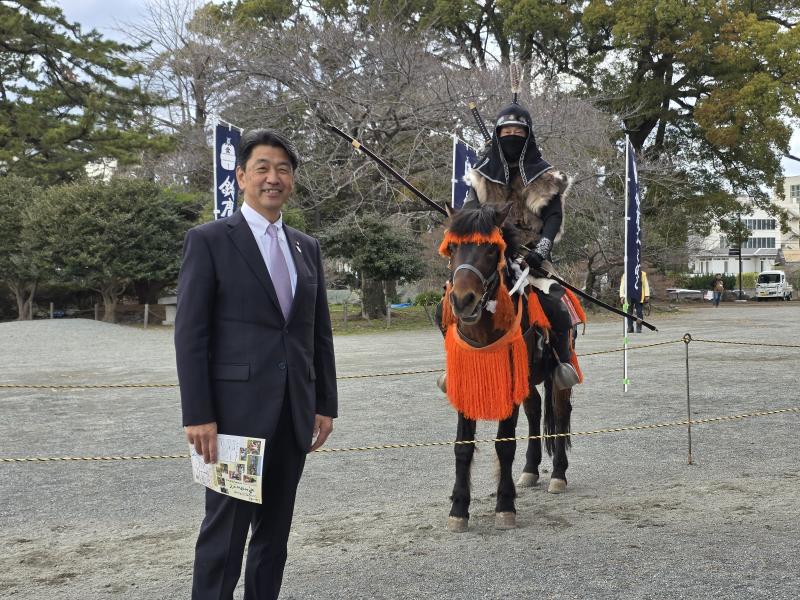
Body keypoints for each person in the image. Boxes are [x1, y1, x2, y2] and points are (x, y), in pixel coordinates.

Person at [175, 129, 338, 600]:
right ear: (241, 176)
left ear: (292, 180)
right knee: (224, 537)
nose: (273, 178)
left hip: (293, 413)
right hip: (234, 418)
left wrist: (324, 404)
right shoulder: (210, 240)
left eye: (283, 169)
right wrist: (198, 414)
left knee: (274, 536)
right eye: (262, 168)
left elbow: (317, 332)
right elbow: (190, 335)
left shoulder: (306, 247)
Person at [463, 101, 579, 385]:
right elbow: (469, 212)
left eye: (518, 131)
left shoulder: (546, 176)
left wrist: (542, 250)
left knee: (557, 303)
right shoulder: (481, 176)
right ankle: (457, 364)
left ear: (528, 135)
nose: (512, 136)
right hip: (492, 254)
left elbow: (553, 217)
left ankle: (561, 364)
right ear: (497, 135)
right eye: (506, 131)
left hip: (531, 255)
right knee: (451, 299)